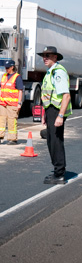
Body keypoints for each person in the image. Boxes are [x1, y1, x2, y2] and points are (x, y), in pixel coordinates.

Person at [37, 46, 72, 184]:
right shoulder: (50, 72)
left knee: (56, 141)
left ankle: (59, 174)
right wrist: (46, 113)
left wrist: (60, 116)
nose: (45, 58)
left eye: (48, 55)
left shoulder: (58, 72)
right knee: (51, 140)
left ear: (55, 57)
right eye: (44, 55)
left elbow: (66, 95)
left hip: (57, 110)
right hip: (51, 110)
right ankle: (58, 171)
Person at [0, 59, 24, 145]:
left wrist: (19, 103)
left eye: (8, 68)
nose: (6, 69)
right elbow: (1, 89)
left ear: (12, 67)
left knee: (12, 120)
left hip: (12, 104)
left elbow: (20, 91)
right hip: (3, 103)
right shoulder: (4, 76)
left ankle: (12, 139)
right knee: (1, 120)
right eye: (5, 68)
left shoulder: (17, 77)